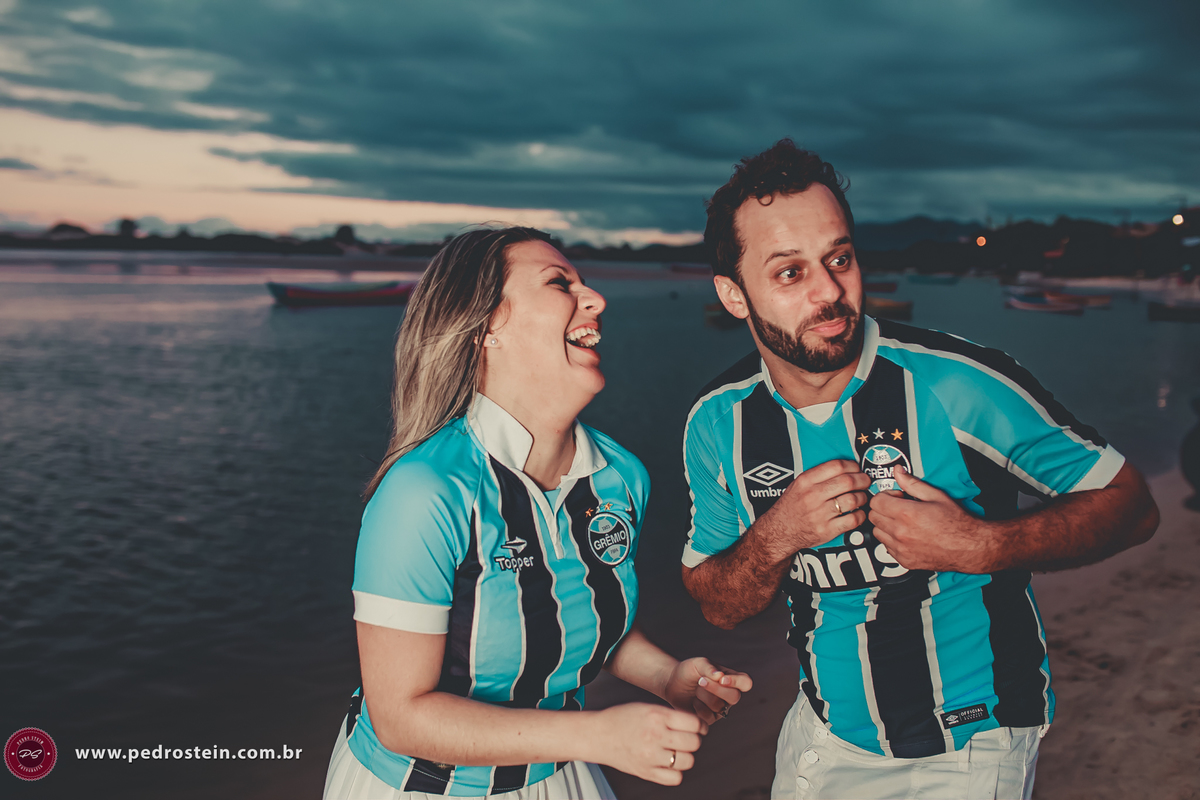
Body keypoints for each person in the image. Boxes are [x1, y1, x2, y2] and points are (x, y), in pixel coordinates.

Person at [679, 140, 1159, 800]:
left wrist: (983, 544)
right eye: (790, 273)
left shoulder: (958, 385)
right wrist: (777, 534)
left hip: (966, 748)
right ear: (734, 296)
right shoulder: (719, 422)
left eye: (839, 259)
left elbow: (1132, 504)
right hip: (820, 741)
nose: (829, 291)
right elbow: (718, 604)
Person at [323, 226, 752, 799]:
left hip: (557, 777)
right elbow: (401, 718)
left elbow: (582, 619)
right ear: (488, 326)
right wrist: (596, 735)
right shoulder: (424, 491)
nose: (595, 299)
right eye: (560, 283)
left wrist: (667, 677)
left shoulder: (620, 477)